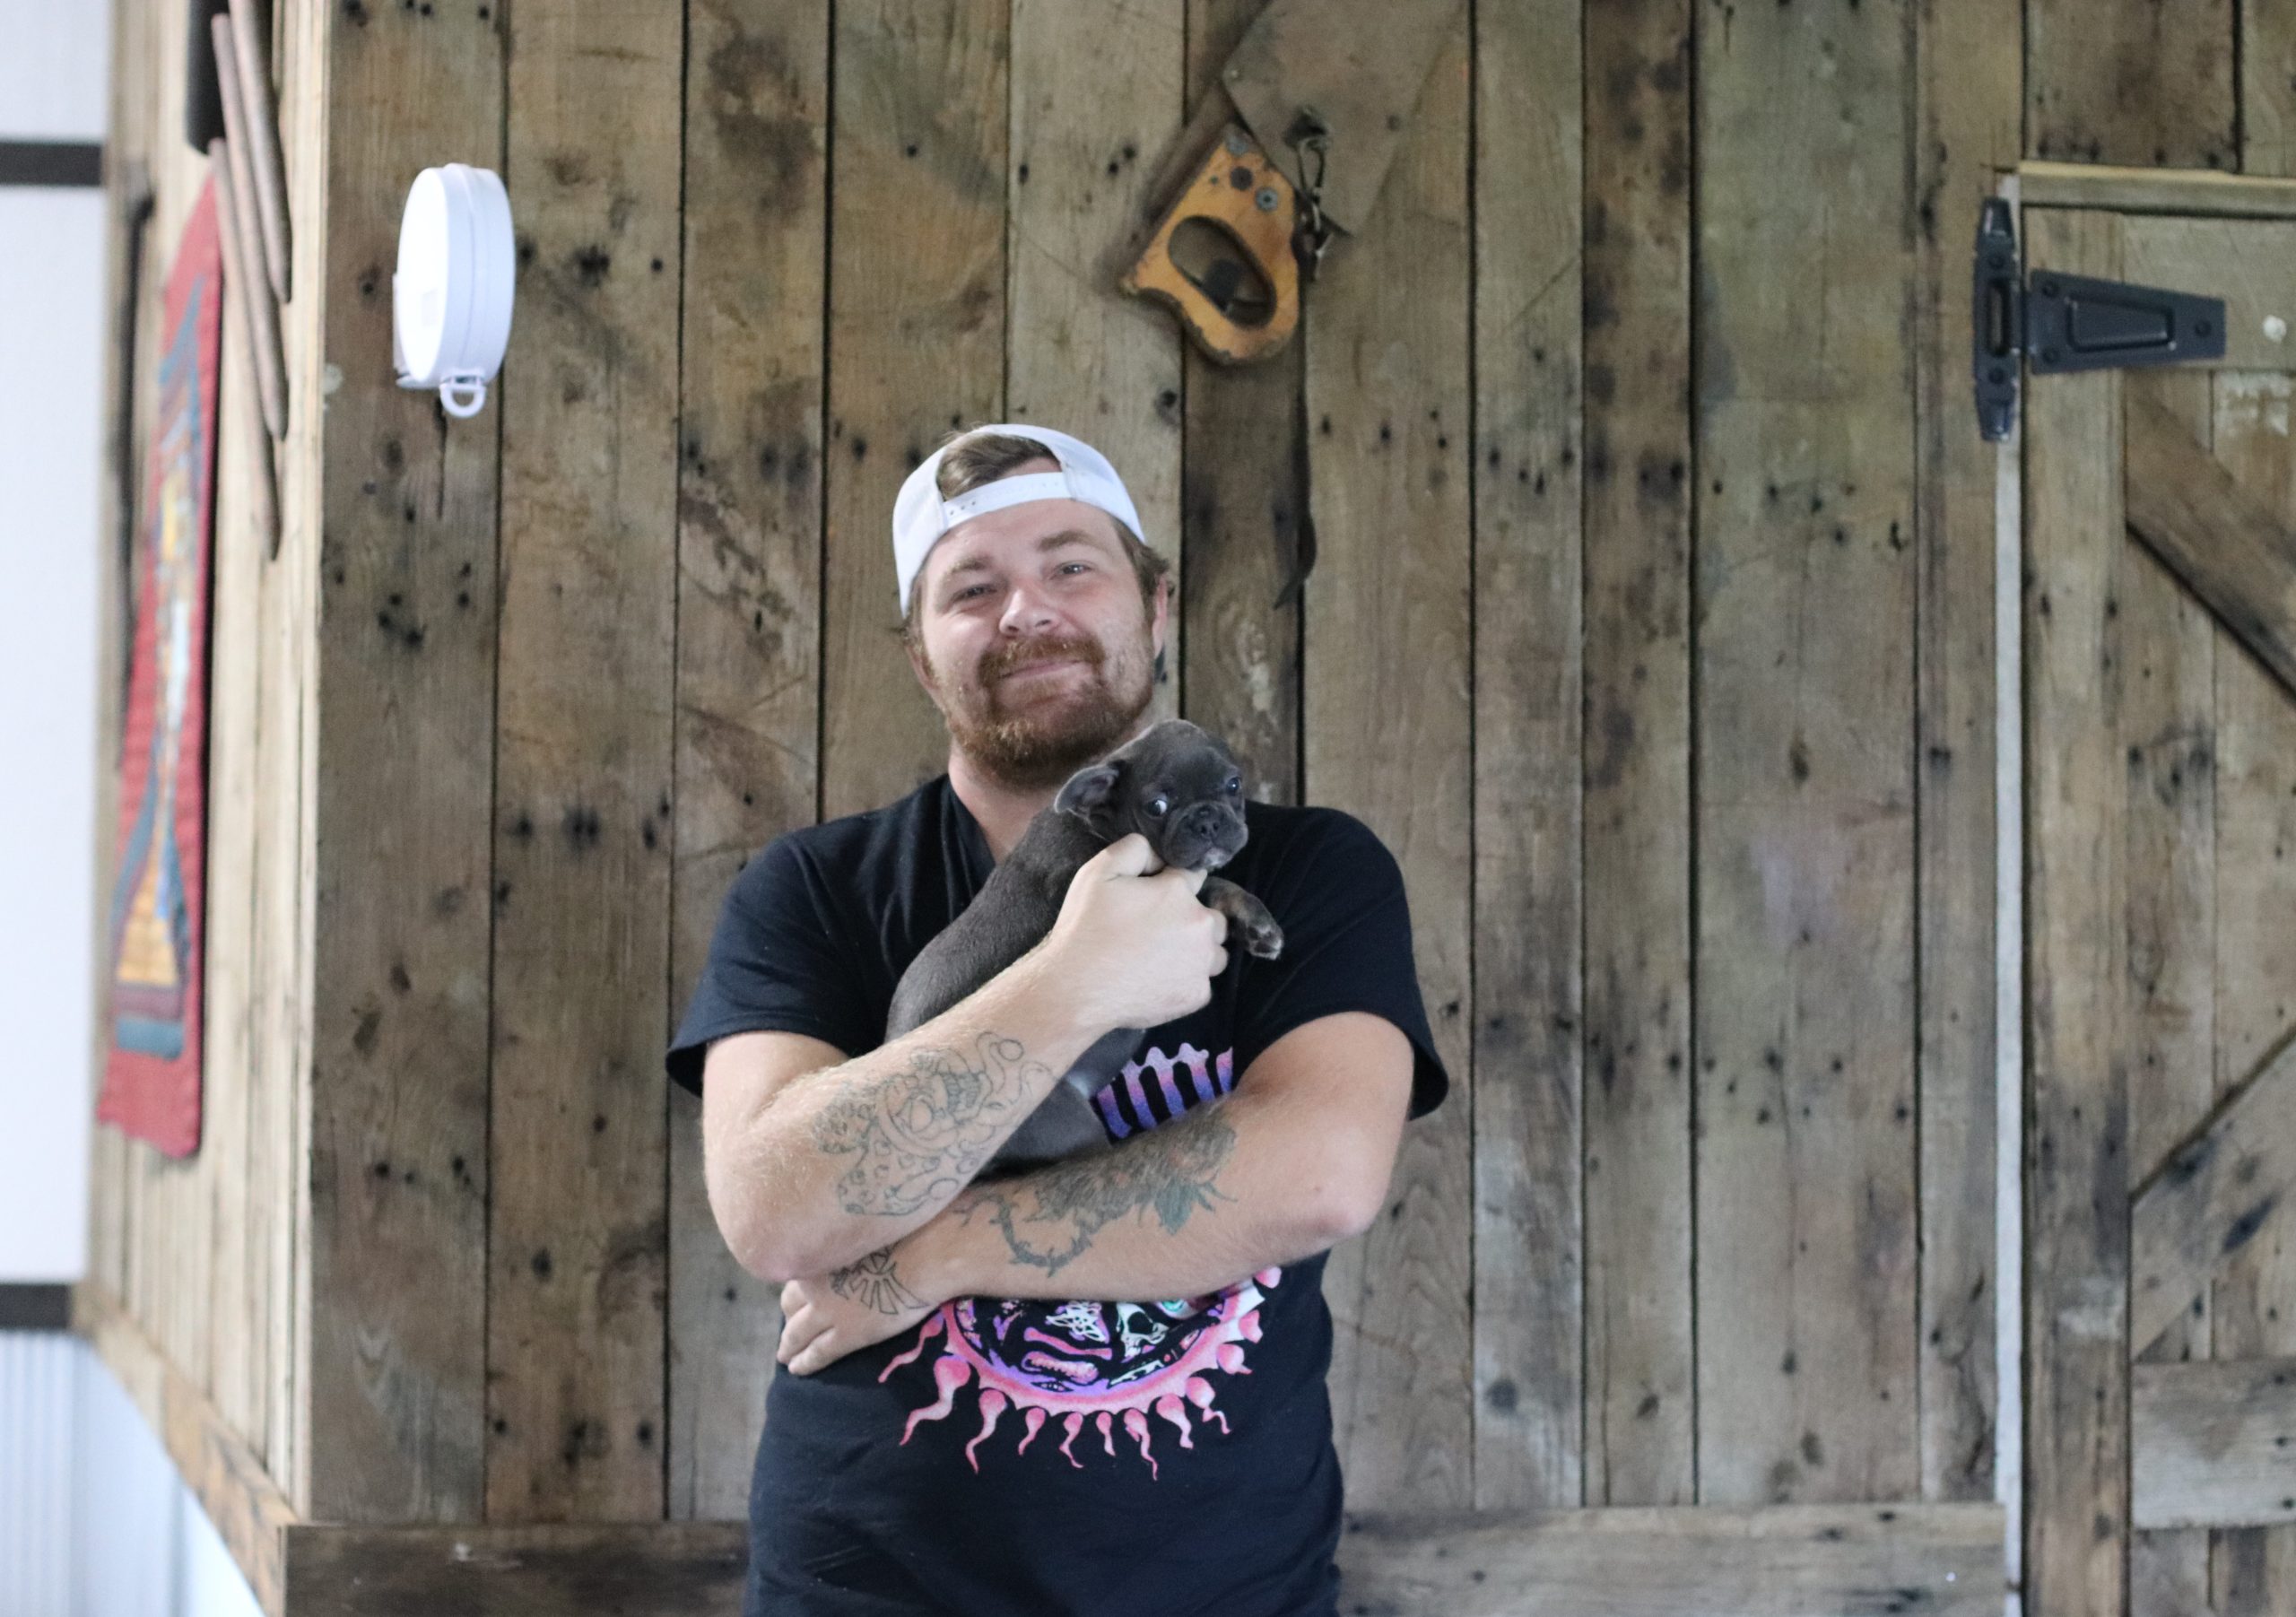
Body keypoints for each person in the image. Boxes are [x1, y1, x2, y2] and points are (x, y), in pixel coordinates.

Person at [665, 422, 1450, 1617]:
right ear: (923, 658)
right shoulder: (815, 889)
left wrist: (927, 1257)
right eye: (971, 588)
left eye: (1071, 565)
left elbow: (1320, 1177)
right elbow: (775, 1211)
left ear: (1156, 605)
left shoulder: (1311, 870)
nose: (1026, 609)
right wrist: (1077, 983)